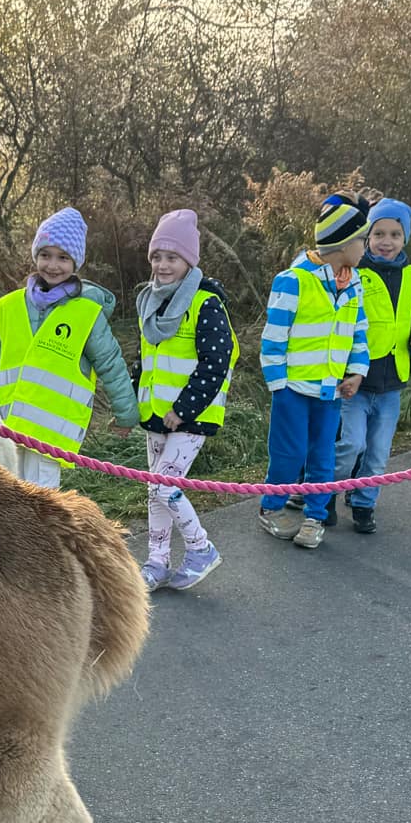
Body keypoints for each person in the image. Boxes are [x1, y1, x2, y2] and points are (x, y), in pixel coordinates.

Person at [0, 207, 139, 488]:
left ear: (75, 263)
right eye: (45, 255)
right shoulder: (9, 307)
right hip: (6, 423)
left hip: (49, 431)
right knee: (6, 495)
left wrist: (126, 413)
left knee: (42, 500)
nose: (53, 265)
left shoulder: (86, 313)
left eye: (63, 258)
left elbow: (110, 365)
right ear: (35, 256)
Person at [258, 194, 370, 550]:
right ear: (343, 243)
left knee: (323, 454)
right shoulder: (293, 280)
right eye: (362, 240)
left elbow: (359, 332)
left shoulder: (354, 284)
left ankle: (315, 516)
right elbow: (274, 337)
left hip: (331, 390)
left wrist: (356, 373)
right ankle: (271, 506)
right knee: (288, 453)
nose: (365, 248)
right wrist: (278, 384)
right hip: (292, 388)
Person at [133, 209, 236, 590]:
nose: (162, 265)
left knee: (164, 486)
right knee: (153, 490)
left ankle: (201, 547)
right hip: (156, 414)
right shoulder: (151, 302)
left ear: (188, 260)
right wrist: (132, 406)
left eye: (172, 257)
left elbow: (217, 363)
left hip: (190, 416)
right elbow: (144, 360)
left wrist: (184, 409)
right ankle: (157, 561)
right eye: (157, 256)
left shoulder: (206, 304)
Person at [334, 198, 411, 534]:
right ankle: (324, 492)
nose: (385, 241)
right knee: (351, 445)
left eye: (394, 234)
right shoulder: (355, 274)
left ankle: (363, 504)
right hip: (356, 381)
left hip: (393, 382)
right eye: (378, 234)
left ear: (405, 239)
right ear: (367, 237)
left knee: (377, 453)